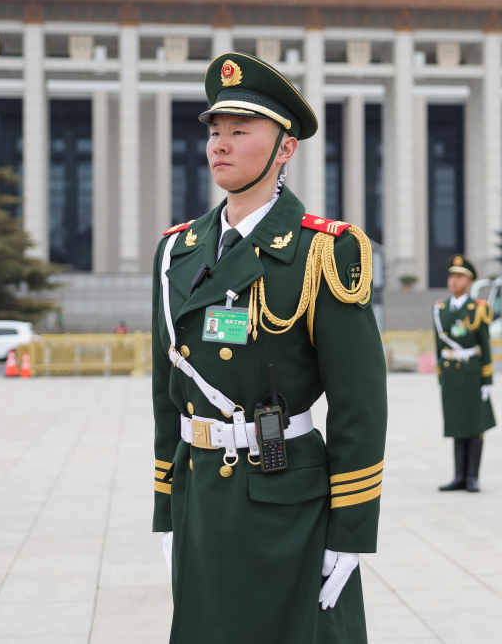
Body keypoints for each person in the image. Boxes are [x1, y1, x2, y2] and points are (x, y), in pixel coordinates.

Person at [151, 53, 387, 644]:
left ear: (286, 148)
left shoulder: (323, 252)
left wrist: (350, 533)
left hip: (286, 501)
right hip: (201, 495)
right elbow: (167, 397)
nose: (220, 146)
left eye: (240, 131)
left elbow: (361, 406)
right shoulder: (178, 251)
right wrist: (166, 511)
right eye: (214, 131)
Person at [434, 254, 495, 492]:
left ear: (469, 282)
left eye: (459, 277)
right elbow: (438, 346)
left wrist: (487, 380)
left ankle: (472, 476)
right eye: (451, 276)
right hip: (451, 375)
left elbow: (485, 346)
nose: (453, 281)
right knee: (457, 424)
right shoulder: (440, 310)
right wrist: (441, 377)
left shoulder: (478, 309)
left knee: (474, 425)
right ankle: (459, 476)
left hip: (471, 373)